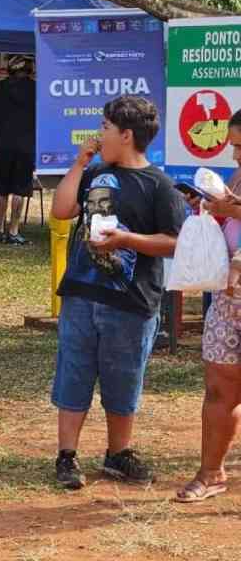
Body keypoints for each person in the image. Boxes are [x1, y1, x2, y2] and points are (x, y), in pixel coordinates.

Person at [49, 96, 185, 490]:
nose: (99, 134)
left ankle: (118, 453)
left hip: (131, 301)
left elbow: (175, 241)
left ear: (126, 135)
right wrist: (79, 163)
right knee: (73, 373)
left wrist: (127, 240)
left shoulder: (159, 185)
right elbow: (61, 210)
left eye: (105, 128)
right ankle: (66, 456)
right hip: (80, 294)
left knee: (123, 378)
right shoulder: (94, 173)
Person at [176, 110, 241, 503]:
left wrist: (230, 210)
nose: (236, 155)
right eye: (235, 146)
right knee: (220, 387)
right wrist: (209, 210)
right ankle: (211, 473)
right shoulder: (237, 176)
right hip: (229, 297)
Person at [0, 55, 37, 245]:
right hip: (26, 147)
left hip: (3, 146)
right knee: (19, 189)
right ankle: (14, 231)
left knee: (2, 189)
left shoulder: (0, 87)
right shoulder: (35, 89)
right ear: (28, 69)